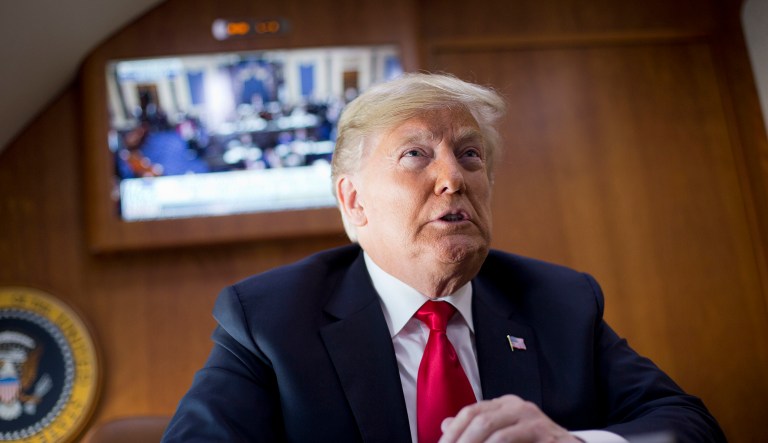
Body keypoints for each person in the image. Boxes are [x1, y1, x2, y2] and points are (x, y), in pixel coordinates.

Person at [162, 73, 726, 443]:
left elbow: (691, 428)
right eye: (415, 155)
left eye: (470, 155)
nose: (453, 178)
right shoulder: (270, 320)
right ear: (354, 201)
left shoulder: (559, 301)